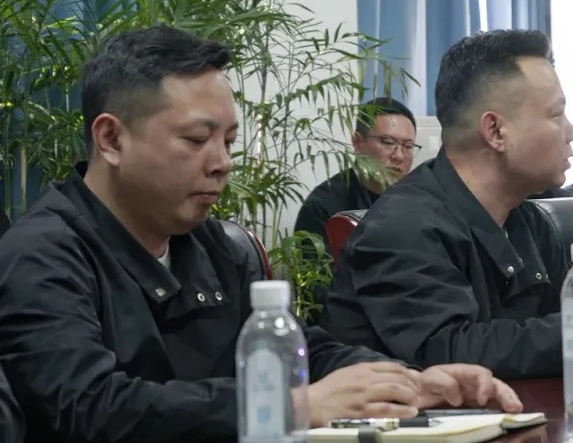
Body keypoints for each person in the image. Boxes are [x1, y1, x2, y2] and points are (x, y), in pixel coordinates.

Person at [0, 26, 519, 443]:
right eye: (197, 139)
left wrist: (403, 381)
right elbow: (90, 409)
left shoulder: (214, 245)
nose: (222, 164)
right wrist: (290, 407)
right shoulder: (42, 254)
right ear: (111, 139)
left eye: (228, 141)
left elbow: (301, 348)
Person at [320, 29, 573, 379]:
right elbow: (446, 351)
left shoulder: (529, 222)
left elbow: (553, 324)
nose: (572, 132)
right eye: (557, 115)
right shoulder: (402, 226)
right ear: (495, 131)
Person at [294, 97, 418, 248]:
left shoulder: (422, 201)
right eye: (388, 143)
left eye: (408, 146)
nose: (399, 156)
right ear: (358, 142)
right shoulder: (323, 205)